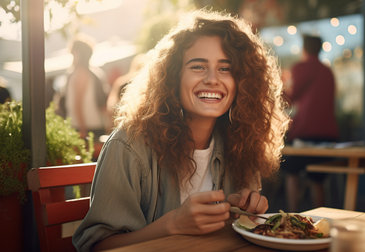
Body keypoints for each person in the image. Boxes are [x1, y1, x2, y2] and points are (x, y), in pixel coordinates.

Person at [73, 10, 289, 251]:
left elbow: (239, 231)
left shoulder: (240, 142)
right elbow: (96, 246)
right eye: (198, 67)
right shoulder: (128, 146)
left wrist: (246, 214)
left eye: (225, 69)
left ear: (242, 83)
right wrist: (173, 224)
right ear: (173, 77)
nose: (212, 79)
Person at [282, 34, 339, 211]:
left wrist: (279, 87)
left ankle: (291, 215)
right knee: (317, 179)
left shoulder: (301, 67)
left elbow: (291, 97)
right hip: (329, 136)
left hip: (306, 134)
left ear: (304, 49)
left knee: (291, 171)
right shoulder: (328, 71)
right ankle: (319, 218)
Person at [64, 34, 109, 140]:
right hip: (88, 127)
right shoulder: (90, 74)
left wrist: (82, 129)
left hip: (85, 128)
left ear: (77, 54)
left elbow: (77, 105)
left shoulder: (80, 74)